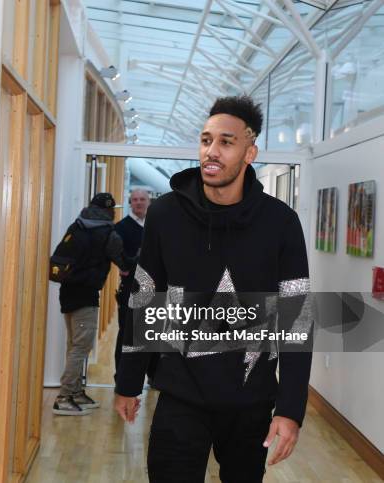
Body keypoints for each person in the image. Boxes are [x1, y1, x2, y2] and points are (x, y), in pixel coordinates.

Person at [114, 95, 313, 482]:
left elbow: (296, 319)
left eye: (226, 141)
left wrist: (290, 409)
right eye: (206, 140)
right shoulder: (165, 214)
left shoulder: (282, 223)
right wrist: (127, 381)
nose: (212, 151)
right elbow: (143, 300)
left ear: (249, 152)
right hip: (179, 395)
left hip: (251, 403)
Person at [53, 193, 131, 416]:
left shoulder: (76, 226)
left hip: (67, 291)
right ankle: (64, 397)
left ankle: (76, 392)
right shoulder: (108, 234)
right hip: (86, 294)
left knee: (74, 343)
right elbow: (124, 265)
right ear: (110, 211)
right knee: (81, 346)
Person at [114, 189, 150, 377]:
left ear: (148, 201)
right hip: (129, 286)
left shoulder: (154, 225)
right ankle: (120, 375)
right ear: (130, 203)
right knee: (126, 331)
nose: (138, 202)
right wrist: (124, 264)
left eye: (142, 199)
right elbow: (115, 251)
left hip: (153, 287)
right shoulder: (121, 227)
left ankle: (151, 375)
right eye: (135, 200)